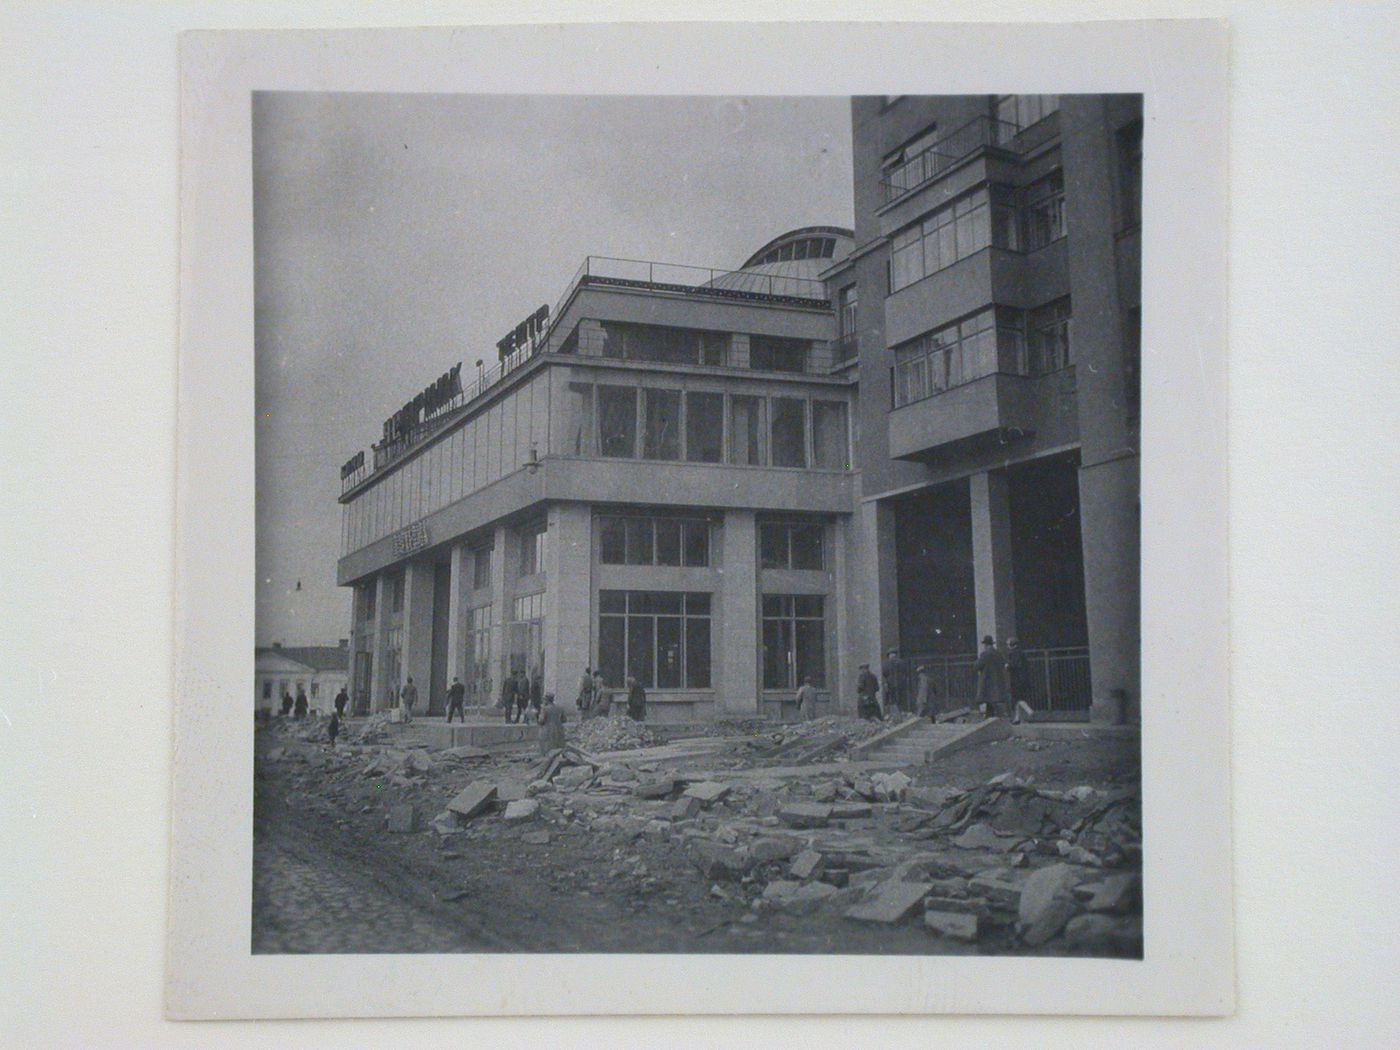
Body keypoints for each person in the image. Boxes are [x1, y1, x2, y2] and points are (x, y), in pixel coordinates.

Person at [974, 636, 1006, 719]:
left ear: (985, 644)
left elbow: (977, 666)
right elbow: (1003, 664)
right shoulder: (998, 654)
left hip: (987, 680)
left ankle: (993, 716)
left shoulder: (985, 654)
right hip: (997, 680)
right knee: (993, 699)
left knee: (989, 699)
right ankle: (990, 715)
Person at [1004, 637, 1030, 724]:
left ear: (1012, 645)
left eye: (1008, 644)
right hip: (1022, 678)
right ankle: (1018, 718)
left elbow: (1014, 664)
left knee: (1017, 698)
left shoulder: (1014, 653)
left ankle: (1029, 712)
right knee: (1019, 698)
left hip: (1017, 679)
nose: (1007, 646)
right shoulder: (1021, 652)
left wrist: (1008, 665)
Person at [881, 649, 904, 717]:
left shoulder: (885, 663)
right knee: (899, 699)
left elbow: (884, 673)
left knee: (891, 699)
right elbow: (904, 672)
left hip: (890, 684)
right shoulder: (901, 662)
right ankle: (900, 713)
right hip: (900, 684)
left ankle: (893, 714)